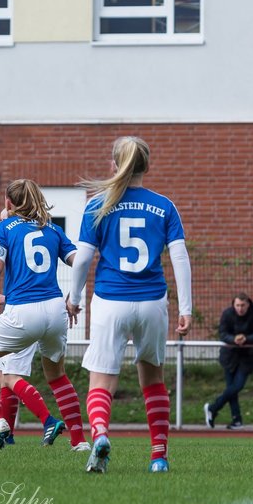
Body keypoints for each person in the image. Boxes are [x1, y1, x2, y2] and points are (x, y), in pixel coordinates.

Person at [67, 135, 192, 474]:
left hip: (110, 300)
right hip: (152, 301)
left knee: (101, 379)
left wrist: (74, 299)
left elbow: (83, 261)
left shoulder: (98, 204)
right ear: (146, 166)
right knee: (152, 378)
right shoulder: (164, 205)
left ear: (114, 165)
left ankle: (102, 435)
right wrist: (186, 309)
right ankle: (158, 457)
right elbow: (180, 257)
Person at [0, 179, 80, 451]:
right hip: (55, 309)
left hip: (24, 311)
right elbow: (79, 260)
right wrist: (74, 297)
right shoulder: (52, 228)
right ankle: (79, 442)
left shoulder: (3, 228)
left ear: (8, 202)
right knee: (57, 375)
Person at [204, 293, 253, 429]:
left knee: (237, 386)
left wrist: (246, 338)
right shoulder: (227, 314)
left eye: (243, 305)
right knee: (232, 389)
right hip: (229, 357)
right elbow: (223, 333)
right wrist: (234, 339)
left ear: (248, 304)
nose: (240, 308)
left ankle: (213, 408)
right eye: (237, 305)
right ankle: (236, 420)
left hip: (247, 357)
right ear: (234, 304)